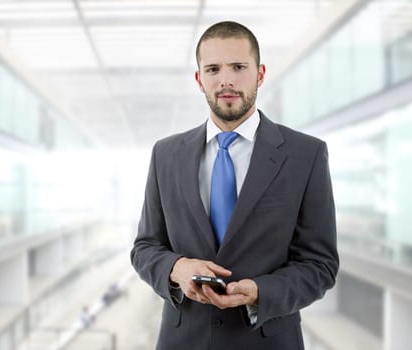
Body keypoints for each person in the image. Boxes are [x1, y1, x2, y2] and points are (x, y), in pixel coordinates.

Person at [130, 21, 338, 350]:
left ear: (260, 73)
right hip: (183, 341)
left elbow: (320, 265)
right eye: (213, 69)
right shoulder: (165, 155)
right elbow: (144, 248)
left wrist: (260, 292)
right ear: (200, 80)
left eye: (239, 67)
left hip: (268, 340)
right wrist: (177, 268)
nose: (225, 80)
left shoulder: (306, 154)